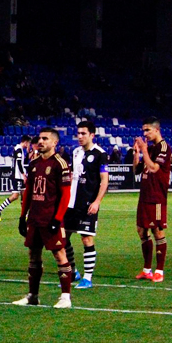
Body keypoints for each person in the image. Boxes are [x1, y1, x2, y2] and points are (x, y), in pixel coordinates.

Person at [13, 128, 74, 308]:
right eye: (39, 138)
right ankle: (33, 295)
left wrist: (57, 219)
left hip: (50, 218)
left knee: (59, 254)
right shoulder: (33, 163)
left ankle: (65, 297)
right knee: (33, 255)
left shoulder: (60, 164)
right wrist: (22, 216)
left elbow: (66, 194)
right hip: (35, 218)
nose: (40, 141)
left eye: (45, 139)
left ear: (54, 143)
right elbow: (29, 192)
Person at [63, 122, 109, 289]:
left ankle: (87, 278)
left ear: (92, 135)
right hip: (71, 204)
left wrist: (97, 202)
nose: (80, 137)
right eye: (78, 133)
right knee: (63, 237)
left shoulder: (100, 155)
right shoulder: (75, 152)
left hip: (88, 204)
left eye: (83, 133)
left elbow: (104, 180)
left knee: (86, 238)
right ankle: (74, 271)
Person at [133, 117, 171, 283]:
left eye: (147, 130)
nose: (145, 133)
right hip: (145, 195)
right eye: (143, 130)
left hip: (156, 197)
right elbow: (137, 170)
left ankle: (159, 271)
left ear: (157, 130)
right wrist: (137, 153)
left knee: (157, 231)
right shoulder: (151, 148)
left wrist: (145, 150)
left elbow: (154, 168)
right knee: (141, 230)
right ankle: (147, 269)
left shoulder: (163, 147)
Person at [0, 135, 33, 221]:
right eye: (29, 143)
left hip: (20, 176)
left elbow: (24, 162)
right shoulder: (18, 149)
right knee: (15, 196)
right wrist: (23, 174)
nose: (29, 144)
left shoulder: (21, 150)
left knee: (24, 194)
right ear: (26, 142)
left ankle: (25, 215)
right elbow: (19, 162)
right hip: (17, 176)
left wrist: (28, 154)